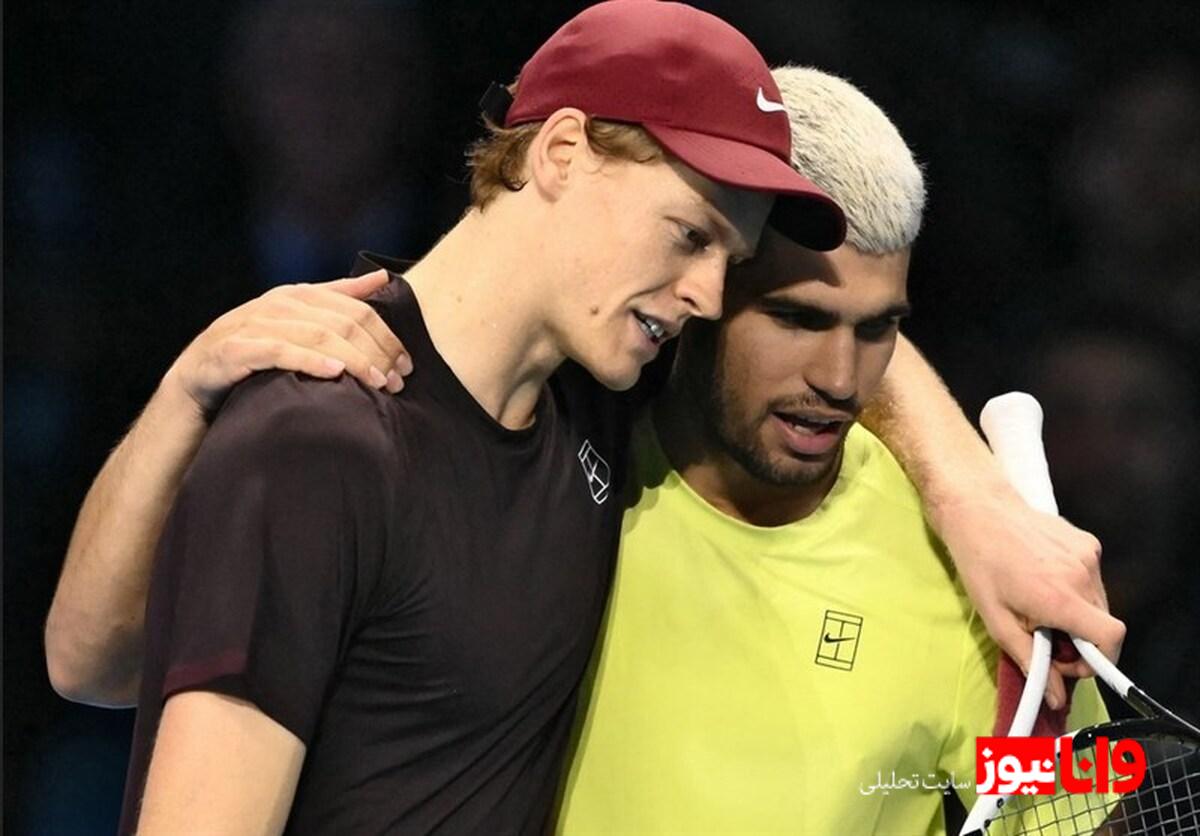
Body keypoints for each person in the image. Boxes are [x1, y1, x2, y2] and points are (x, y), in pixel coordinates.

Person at [44, 3, 1122, 832]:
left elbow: (1084, 804)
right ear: (561, 153)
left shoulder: (595, 412)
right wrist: (187, 391)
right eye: (690, 236)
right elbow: (91, 666)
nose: (704, 294)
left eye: (729, 261)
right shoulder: (324, 434)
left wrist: (975, 497)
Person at [553, 66, 1109, 834]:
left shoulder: (994, 581)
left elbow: (1085, 816)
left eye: (878, 328)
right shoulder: (549, 469)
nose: (841, 380)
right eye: (798, 319)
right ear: (703, 282)